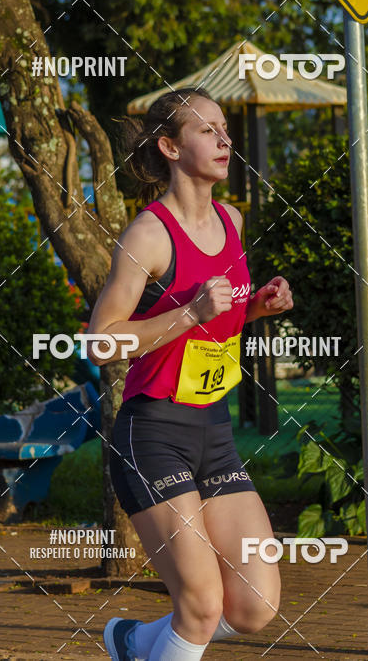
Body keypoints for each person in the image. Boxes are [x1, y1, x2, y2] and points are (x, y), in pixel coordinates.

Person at [86, 87, 294, 661]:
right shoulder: (148, 235)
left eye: (225, 128)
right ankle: (166, 639)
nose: (225, 139)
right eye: (207, 130)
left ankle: (134, 641)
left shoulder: (231, 220)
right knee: (201, 605)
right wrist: (188, 312)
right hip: (152, 434)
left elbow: (214, 325)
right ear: (171, 146)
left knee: (253, 605)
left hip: (214, 431)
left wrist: (255, 309)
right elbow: (101, 340)